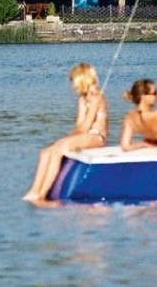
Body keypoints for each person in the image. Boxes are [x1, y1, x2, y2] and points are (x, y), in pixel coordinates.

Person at [25, 62, 108, 204]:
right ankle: (34, 190)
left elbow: (86, 125)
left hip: (96, 137)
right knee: (46, 152)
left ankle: (43, 194)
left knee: (59, 150)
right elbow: (79, 125)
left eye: (73, 81)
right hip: (85, 135)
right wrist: (67, 138)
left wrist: (66, 140)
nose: (72, 85)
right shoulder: (83, 99)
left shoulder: (96, 97)